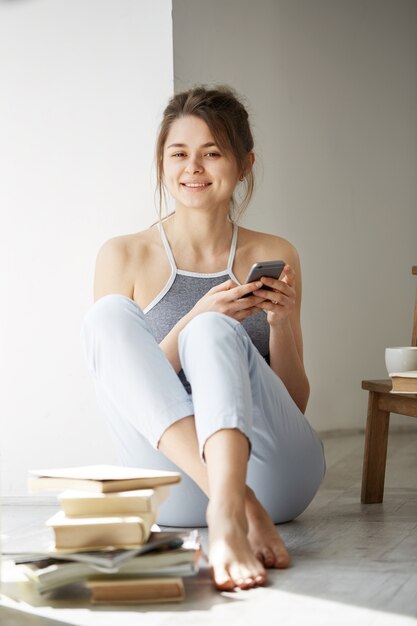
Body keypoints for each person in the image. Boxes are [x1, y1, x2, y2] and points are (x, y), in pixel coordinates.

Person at [81, 85, 326, 591]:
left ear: (244, 164)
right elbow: (123, 392)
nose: (194, 168)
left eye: (212, 153)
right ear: (162, 163)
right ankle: (233, 505)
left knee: (215, 330)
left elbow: (295, 403)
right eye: (180, 154)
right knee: (107, 317)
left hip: (272, 472)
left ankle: (232, 506)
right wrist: (191, 318)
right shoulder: (123, 255)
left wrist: (278, 325)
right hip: (171, 483)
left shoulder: (277, 251)